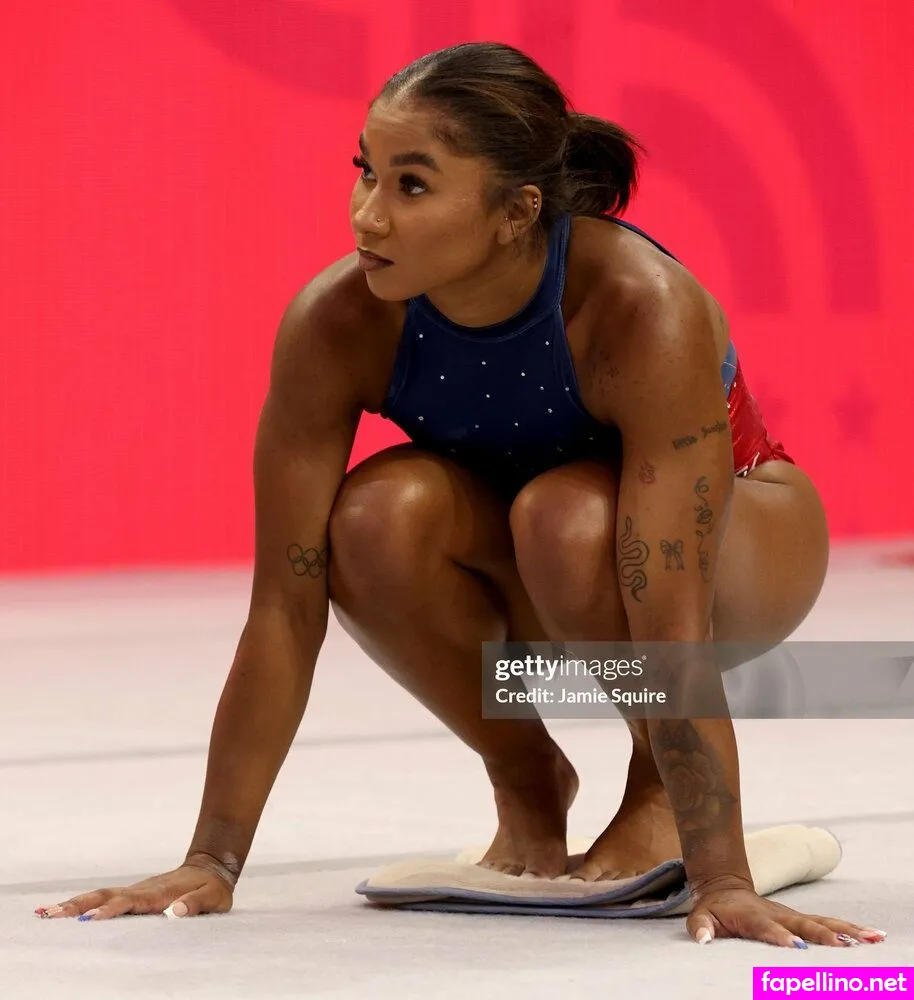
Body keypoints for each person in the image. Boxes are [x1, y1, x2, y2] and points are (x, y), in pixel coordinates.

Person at [37, 42, 885, 949]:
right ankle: (528, 778)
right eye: (365, 171)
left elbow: (670, 618)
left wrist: (722, 876)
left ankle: (652, 794)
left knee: (564, 516)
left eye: (411, 185)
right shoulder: (337, 322)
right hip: (533, 541)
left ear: (517, 211)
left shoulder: (638, 304)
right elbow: (283, 609)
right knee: (373, 519)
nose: (368, 213)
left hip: (744, 538)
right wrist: (213, 859)